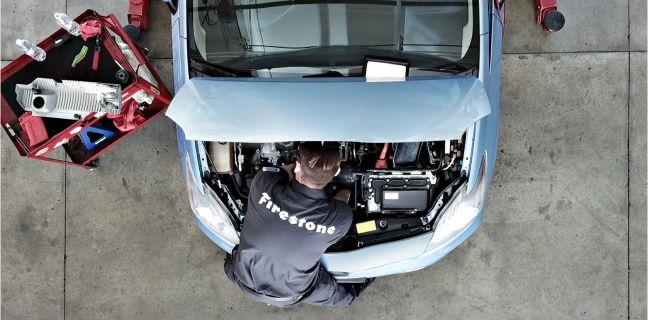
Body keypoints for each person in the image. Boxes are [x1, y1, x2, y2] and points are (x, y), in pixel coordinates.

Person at [224, 142, 373, 307]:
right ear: (337, 172)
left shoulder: (263, 182)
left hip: (240, 275)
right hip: (292, 294)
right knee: (346, 298)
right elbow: (344, 195)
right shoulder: (341, 218)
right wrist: (345, 183)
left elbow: (281, 171)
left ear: (297, 167)